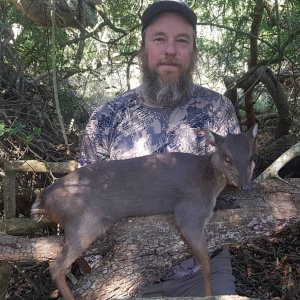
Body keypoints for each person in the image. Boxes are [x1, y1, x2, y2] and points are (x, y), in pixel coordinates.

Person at [80, 0, 240, 296]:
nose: (170, 50)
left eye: (182, 40)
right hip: (128, 272)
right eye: (159, 39)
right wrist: (100, 270)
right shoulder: (107, 117)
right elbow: (86, 198)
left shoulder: (217, 109)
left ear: (193, 51)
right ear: (143, 49)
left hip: (203, 268)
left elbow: (233, 184)